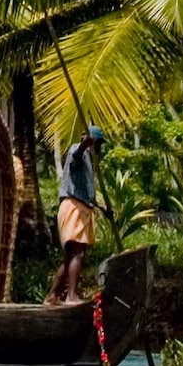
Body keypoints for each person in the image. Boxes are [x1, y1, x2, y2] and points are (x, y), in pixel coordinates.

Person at [50, 125, 104, 303]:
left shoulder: (90, 163)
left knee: (71, 255)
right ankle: (71, 296)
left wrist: (104, 210)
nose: (100, 149)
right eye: (99, 144)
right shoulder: (79, 150)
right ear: (93, 142)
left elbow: (88, 193)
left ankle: (53, 295)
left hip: (80, 207)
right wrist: (83, 145)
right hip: (74, 207)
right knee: (78, 253)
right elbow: (75, 157)